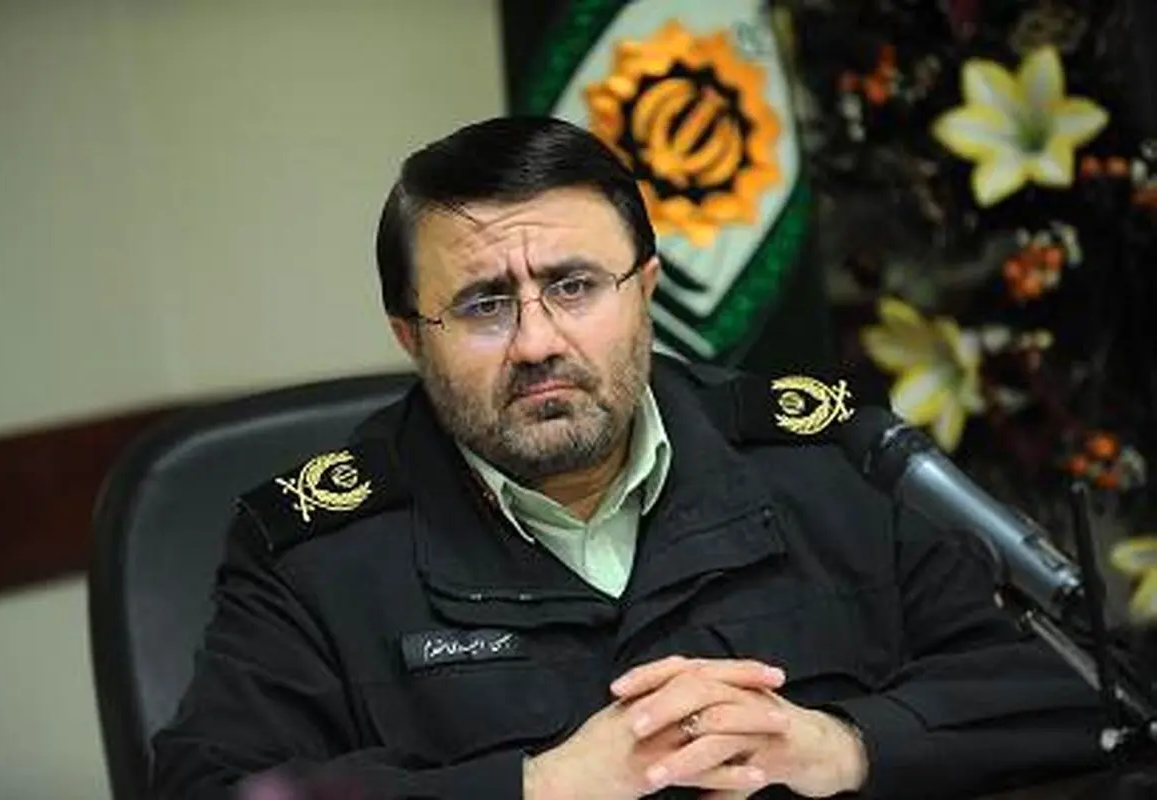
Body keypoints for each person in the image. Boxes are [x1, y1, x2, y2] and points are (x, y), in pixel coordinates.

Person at [150, 116, 1108, 800]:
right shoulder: (314, 553)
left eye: (574, 285)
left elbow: (1078, 690)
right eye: (484, 305)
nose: (537, 343)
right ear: (411, 336)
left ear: (645, 289)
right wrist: (536, 787)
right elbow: (216, 789)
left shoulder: (830, 460)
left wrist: (843, 746)